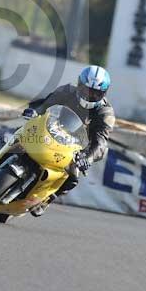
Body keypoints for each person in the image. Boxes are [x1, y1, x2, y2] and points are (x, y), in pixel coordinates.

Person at [22, 65, 115, 216]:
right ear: (79, 85)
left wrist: (87, 157)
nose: (89, 95)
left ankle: (47, 200)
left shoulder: (105, 112)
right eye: (86, 90)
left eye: (95, 93)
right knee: (22, 137)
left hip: (77, 145)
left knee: (73, 175)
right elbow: (45, 105)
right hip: (51, 129)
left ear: (103, 93)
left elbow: (101, 141)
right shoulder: (66, 91)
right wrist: (34, 112)